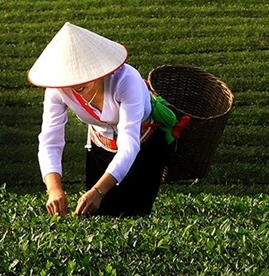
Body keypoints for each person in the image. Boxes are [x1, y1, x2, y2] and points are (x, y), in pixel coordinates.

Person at [29, 22, 177, 218]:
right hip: (101, 146)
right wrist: (54, 189)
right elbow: (50, 141)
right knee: (99, 216)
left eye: (84, 75)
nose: (77, 84)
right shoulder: (57, 89)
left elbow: (129, 145)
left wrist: (99, 191)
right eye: (71, 76)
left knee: (135, 215)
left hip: (144, 145)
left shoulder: (126, 80)